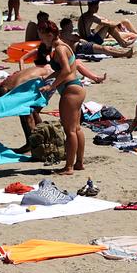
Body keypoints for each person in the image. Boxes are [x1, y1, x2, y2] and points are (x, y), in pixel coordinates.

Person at [37, 21, 106, 176]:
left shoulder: (60, 49)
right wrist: (48, 78)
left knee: (70, 131)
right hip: (76, 88)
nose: (41, 39)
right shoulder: (65, 46)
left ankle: (69, 167)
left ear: (49, 35)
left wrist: (51, 86)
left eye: (41, 35)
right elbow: (66, 69)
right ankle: (79, 163)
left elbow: (67, 71)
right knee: (76, 129)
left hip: (70, 91)